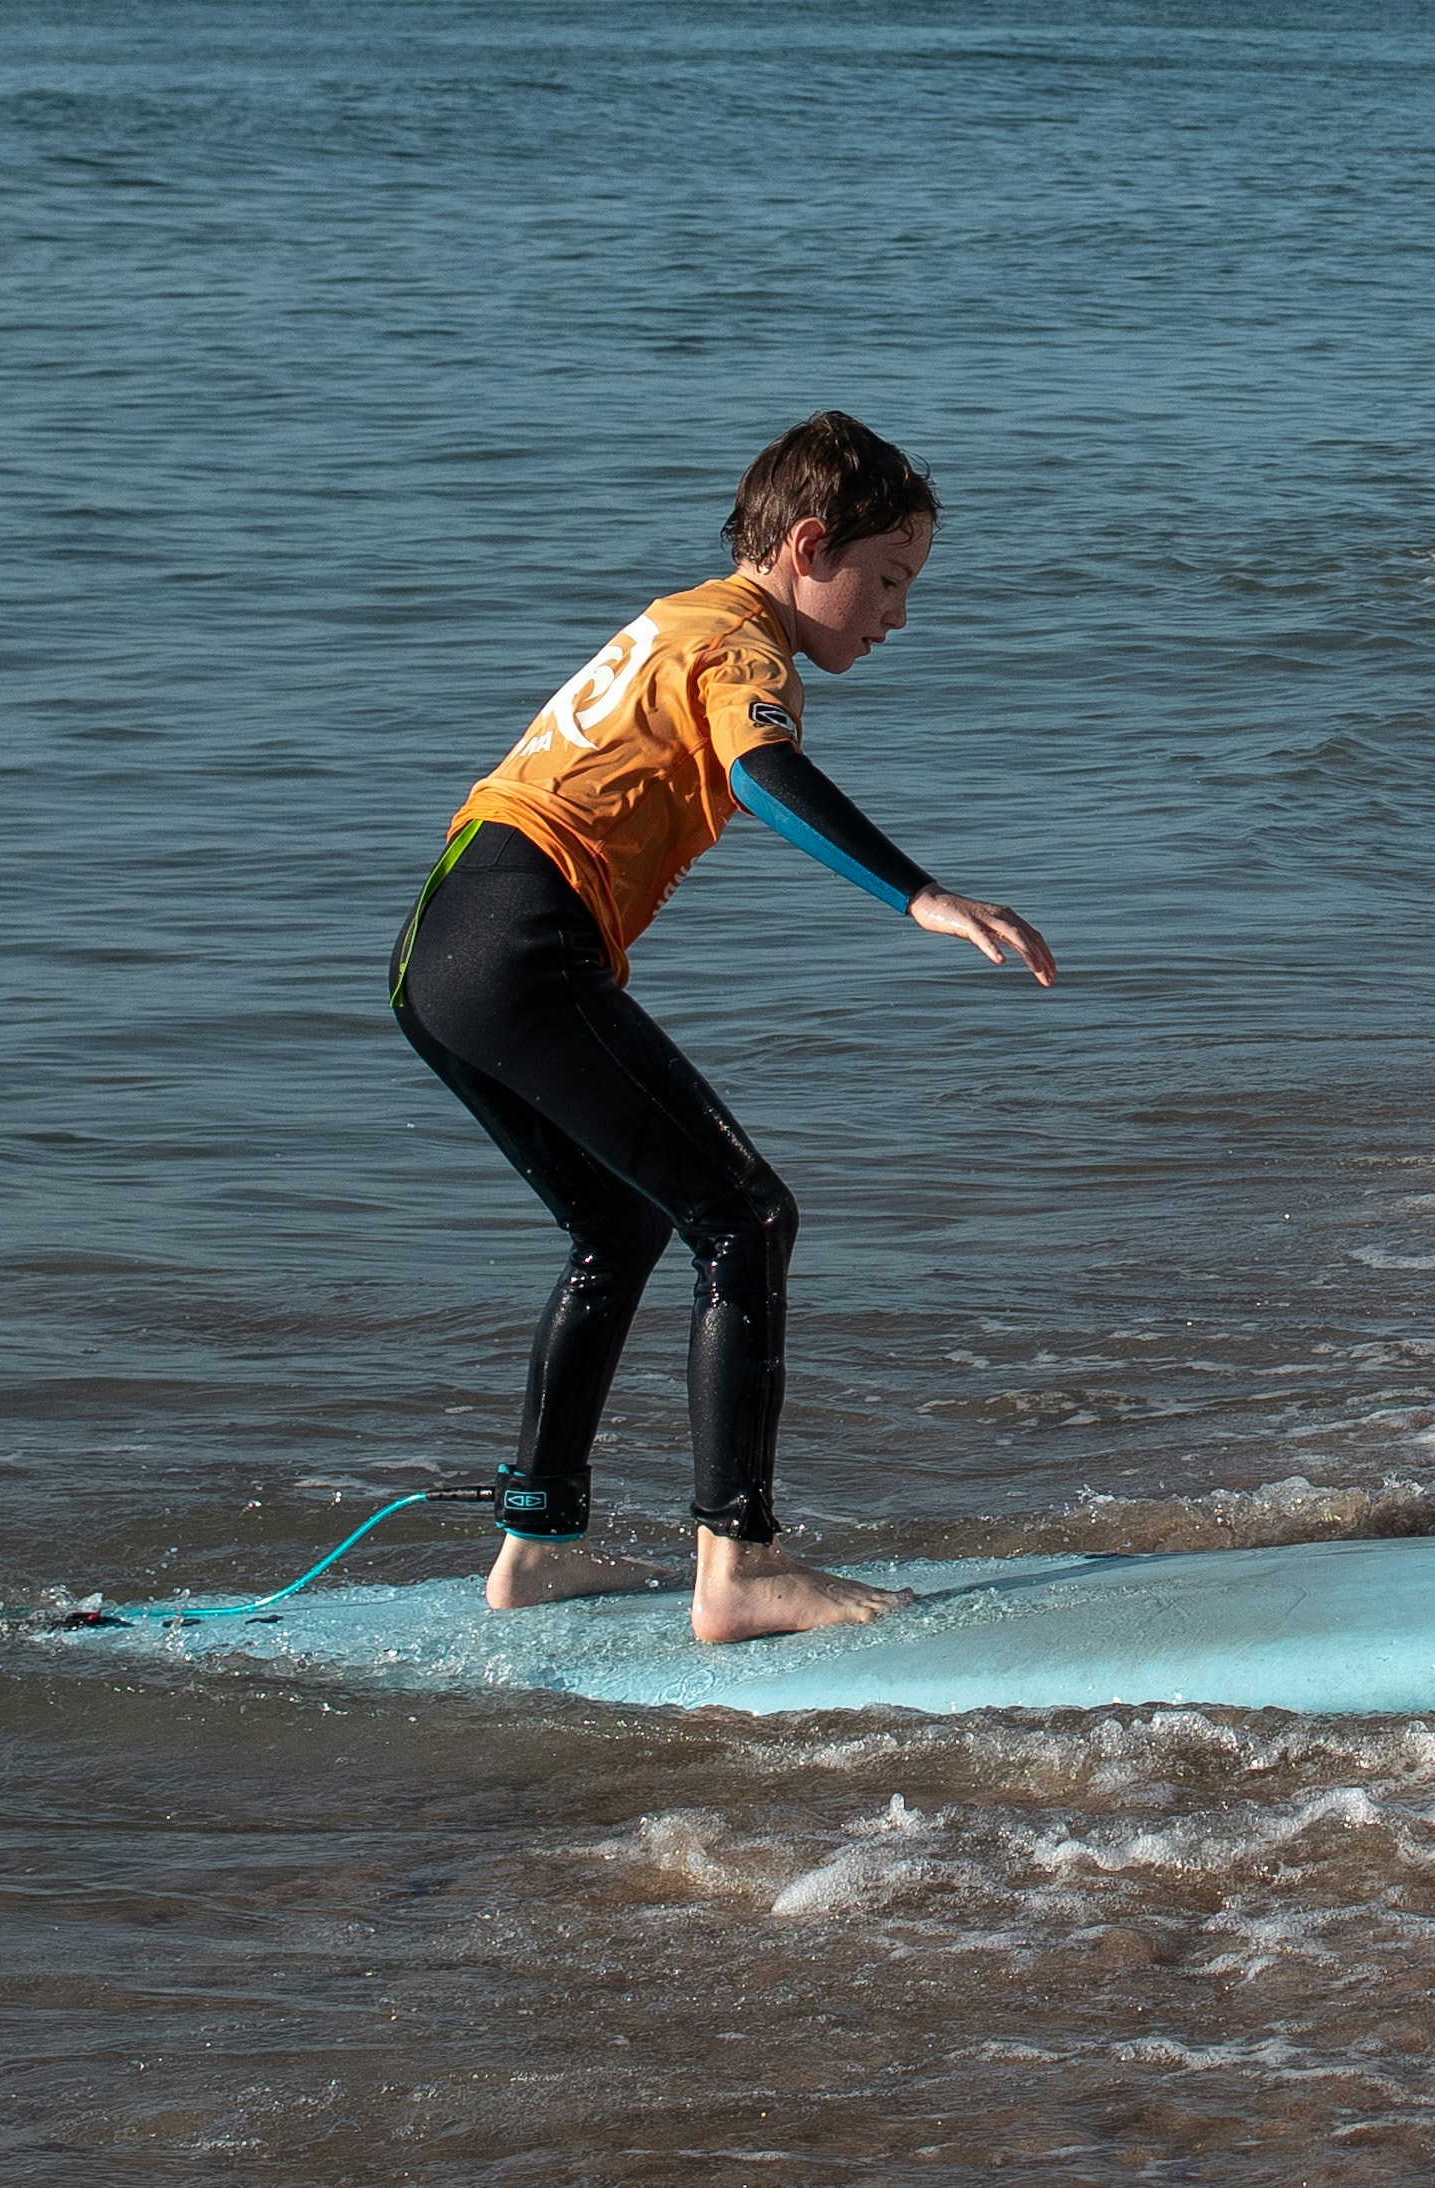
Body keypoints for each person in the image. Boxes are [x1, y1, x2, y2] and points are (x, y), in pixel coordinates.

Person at [388, 411, 1054, 1644]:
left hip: (439, 948)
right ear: (808, 546)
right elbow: (760, 772)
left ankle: (536, 1546)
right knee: (745, 1216)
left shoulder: (679, 615)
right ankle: (739, 1567)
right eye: (890, 580)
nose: (898, 617)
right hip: (521, 947)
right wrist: (921, 893)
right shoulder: (739, 645)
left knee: (621, 1223)